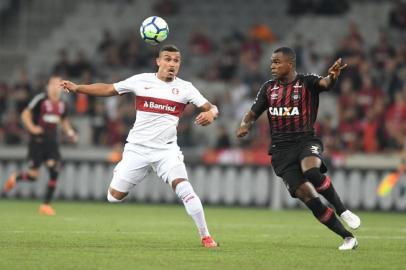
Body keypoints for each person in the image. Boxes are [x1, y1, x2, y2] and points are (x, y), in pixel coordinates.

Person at [60, 45, 219, 248]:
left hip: (166, 151)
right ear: (158, 61)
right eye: (168, 59)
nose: (172, 64)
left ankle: (206, 237)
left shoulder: (186, 88)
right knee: (114, 197)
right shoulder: (140, 81)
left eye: (176, 60)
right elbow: (109, 88)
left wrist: (211, 114)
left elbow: (212, 107)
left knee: (184, 187)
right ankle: (132, 169)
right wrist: (78, 88)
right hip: (137, 149)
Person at [236, 47, 361, 250]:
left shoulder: (306, 82)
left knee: (311, 170)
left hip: (305, 141)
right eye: (271, 62)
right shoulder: (268, 88)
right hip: (280, 151)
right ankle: (348, 237)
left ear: (290, 64)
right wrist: (245, 125)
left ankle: (343, 210)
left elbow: (326, 83)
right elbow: (252, 113)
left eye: (277, 62)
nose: (272, 66)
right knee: (308, 196)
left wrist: (333, 76)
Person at [3, 75, 78, 216]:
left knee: (54, 169)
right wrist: (32, 128)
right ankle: (16, 177)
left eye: (59, 85)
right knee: (33, 176)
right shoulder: (40, 99)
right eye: (54, 84)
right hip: (37, 142)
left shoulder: (63, 104)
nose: (57, 87)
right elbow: (25, 114)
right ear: (48, 86)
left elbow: (64, 121)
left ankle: (45, 205)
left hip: (52, 143)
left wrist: (70, 132)